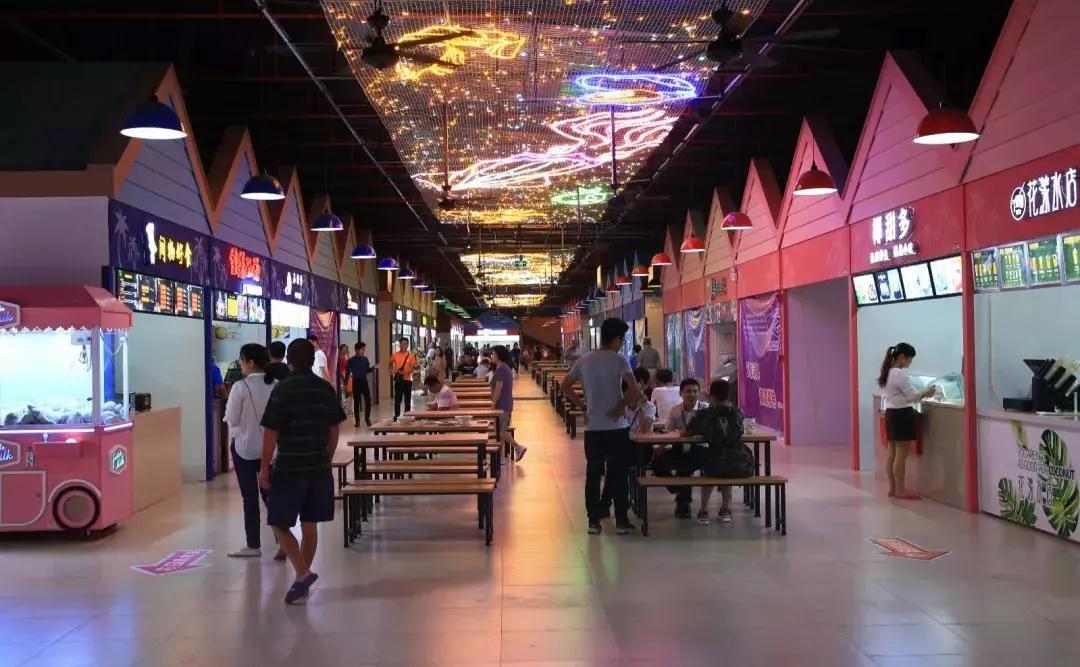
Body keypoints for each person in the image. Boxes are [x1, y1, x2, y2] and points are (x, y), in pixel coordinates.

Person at [258, 339, 346, 604]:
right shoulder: (325, 389)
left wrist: (264, 468)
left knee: (278, 521)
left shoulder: (283, 389)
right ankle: (301, 581)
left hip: (289, 465)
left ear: (290, 361)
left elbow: (271, 431)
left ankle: (302, 573)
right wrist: (327, 456)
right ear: (312, 359)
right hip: (318, 465)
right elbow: (334, 428)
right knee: (310, 524)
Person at [562, 317, 643, 536]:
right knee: (618, 474)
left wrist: (582, 407)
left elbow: (565, 386)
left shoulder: (584, 360)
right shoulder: (619, 360)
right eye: (622, 339)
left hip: (593, 428)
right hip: (617, 428)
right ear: (616, 339)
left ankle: (593, 521)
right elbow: (635, 389)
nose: (622, 343)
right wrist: (620, 406)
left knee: (593, 474)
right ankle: (621, 521)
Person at [224, 343, 280, 559]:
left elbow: (232, 418)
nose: (241, 364)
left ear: (250, 362)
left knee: (249, 498)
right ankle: (282, 540)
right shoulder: (276, 385)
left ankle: (253, 545)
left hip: (244, 449)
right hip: (271, 450)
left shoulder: (240, 387)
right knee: (271, 496)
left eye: (242, 360)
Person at [686, 379, 752, 525]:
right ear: (729, 396)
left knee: (711, 470)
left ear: (711, 396)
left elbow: (686, 433)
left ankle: (704, 510)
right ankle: (725, 509)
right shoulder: (737, 413)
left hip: (713, 461)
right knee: (726, 469)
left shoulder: (704, 413)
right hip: (737, 462)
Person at [879, 342, 936, 500]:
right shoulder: (900, 375)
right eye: (910, 359)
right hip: (902, 415)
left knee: (892, 453)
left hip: (891, 414)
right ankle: (900, 490)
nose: (910, 363)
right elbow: (912, 397)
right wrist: (926, 391)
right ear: (902, 357)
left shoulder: (888, 372)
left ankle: (892, 488)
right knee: (901, 455)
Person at [652, 378, 710, 518]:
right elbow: (668, 431)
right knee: (657, 463)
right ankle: (678, 489)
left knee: (683, 467)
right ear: (681, 393)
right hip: (679, 447)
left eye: (695, 391)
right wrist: (661, 446)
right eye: (688, 391)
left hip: (701, 449)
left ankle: (683, 504)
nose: (692, 394)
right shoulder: (675, 410)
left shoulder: (706, 409)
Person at [492, 345, 525, 461]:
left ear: (498, 355)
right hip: (506, 402)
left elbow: (499, 387)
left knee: (500, 430)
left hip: (502, 403)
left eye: (493, 354)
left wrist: (493, 403)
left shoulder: (501, 369)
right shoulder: (504, 367)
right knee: (500, 429)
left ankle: (518, 447)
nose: (492, 356)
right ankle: (500, 457)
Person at [344, 342, 375, 427]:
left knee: (368, 401)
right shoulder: (351, 360)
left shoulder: (365, 359)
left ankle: (367, 419)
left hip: (364, 382)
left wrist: (373, 368)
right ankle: (357, 421)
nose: (363, 351)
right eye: (362, 350)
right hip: (356, 382)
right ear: (357, 350)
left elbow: (367, 370)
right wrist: (345, 383)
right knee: (357, 402)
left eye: (364, 350)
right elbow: (347, 372)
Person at [389, 337, 418, 420]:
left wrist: (410, 370)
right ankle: (396, 415)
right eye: (402, 344)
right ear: (399, 345)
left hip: (407, 380)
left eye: (405, 344)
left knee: (407, 399)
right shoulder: (395, 354)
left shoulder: (411, 356)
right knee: (397, 399)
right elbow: (390, 363)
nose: (403, 346)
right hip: (398, 380)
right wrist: (392, 371)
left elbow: (413, 367)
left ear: (407, 345)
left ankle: (407, 415)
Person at [627, 367, 657, 434]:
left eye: (640, 389)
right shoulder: (625, 406)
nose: (638, 392)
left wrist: (640, 407)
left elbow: (644, 429)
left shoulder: (650, 406)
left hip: (643, 440)